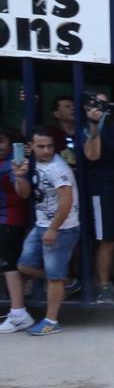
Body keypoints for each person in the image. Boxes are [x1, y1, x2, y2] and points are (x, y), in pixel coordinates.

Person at [13, 129, 80, 336]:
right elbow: (24, 194)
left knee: (53, 277)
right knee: (24, 265)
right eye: (41, 146)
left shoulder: (58, 169)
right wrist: (20, 176)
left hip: (61, 228)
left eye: (49, 146)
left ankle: (51, 321)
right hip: (43, 224)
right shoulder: (36, 165)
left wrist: (53, 229)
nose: (46, 150)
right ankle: (67, 282)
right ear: (31, 147)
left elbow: (66, 201)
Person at [79, 92, 114, 304]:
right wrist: (94, 125)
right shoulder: (88, 130)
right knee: (106, 240)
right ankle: (103, 288)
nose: (101, 108)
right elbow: (92, 155)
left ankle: (112, 283)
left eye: (105, 104)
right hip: (102, 193)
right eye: (96, 104)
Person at [0, 130, 33, 333]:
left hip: (9, 220)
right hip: (5, 220)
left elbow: (24, 193)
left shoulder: (14, 164)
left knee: (9, 265)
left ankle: (19, 313)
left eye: (2, 140)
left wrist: (20, 178)